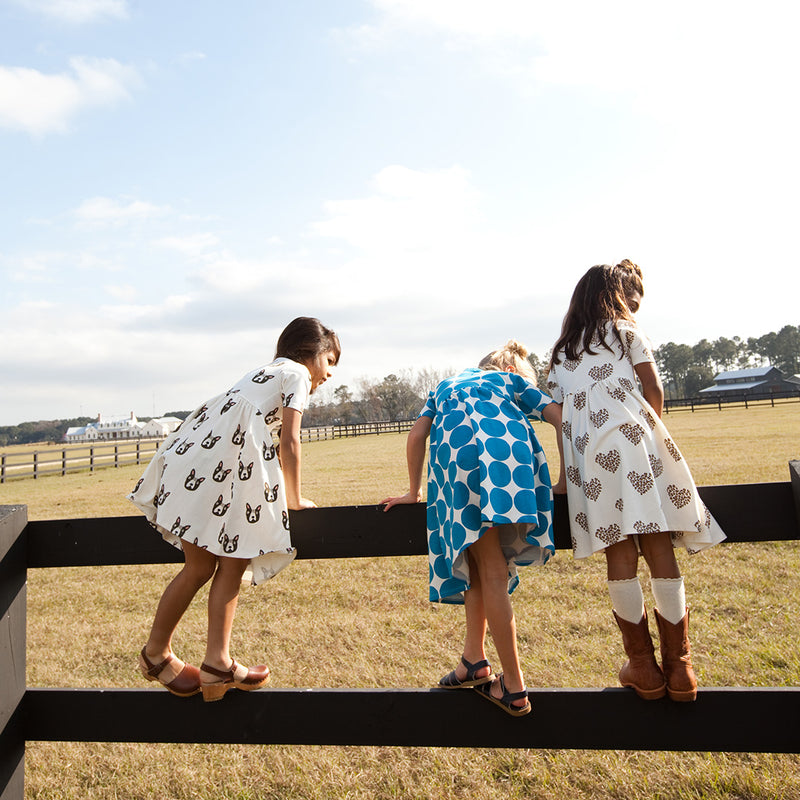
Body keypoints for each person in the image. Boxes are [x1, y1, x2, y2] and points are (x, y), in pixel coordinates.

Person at [129, 317, 340, 702]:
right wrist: (293, 499)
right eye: (330, 361)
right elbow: (290, 441)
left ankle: (181, 656)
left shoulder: (263, 372)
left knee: (204, 566)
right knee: (231, 561)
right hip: (221, 473)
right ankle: (203, 659)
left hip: (197, 464)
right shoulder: (294, 374)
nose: (329, 373)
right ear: (312, 352)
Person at [547, 261, 725, 702]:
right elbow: (654, 388)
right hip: (636, 448)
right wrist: (652, 440)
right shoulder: (627, 332)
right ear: (612, 297)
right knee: (660, 549)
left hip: (592, 464)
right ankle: (680, 667)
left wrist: (566, 480)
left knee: (620, 557)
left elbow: (561, 420)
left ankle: (643, 667)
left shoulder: (561, 352)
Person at [383, 341, 563, 717]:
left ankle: (502, 678)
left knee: (487, 568)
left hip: (461, 468)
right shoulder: (510, 382)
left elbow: (417, 435)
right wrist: (564, 479)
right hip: (510, 467)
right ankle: (484, 667)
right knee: (489, 570)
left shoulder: (445, 386)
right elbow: (559, 416)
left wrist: (413, 491)